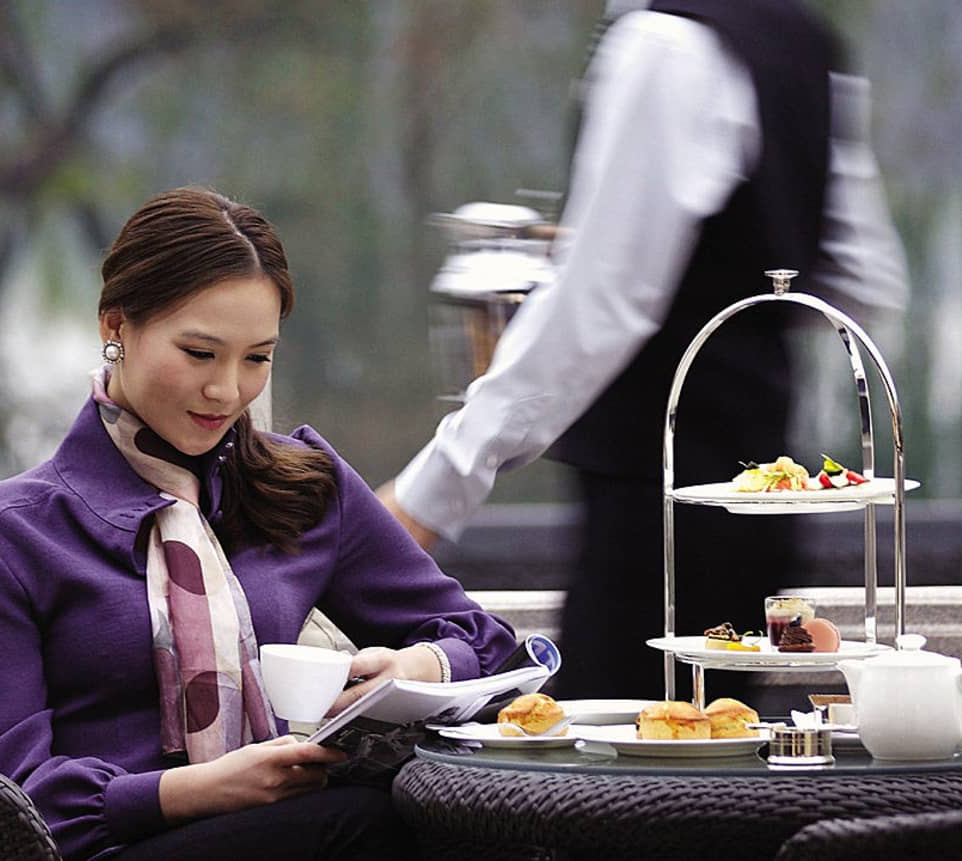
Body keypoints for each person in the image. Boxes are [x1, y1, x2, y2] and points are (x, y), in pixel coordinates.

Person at [0, 186, 518, 861]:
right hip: (116, 849)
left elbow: (488, 645)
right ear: (115, 327)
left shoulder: (302, 485)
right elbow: (1, 801)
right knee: (374, 821)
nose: (228, 390)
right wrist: (205, 787)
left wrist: (418, 665)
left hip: (297, 831)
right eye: (201, 353)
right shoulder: (3, 535)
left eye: (257, 358)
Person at [377, 0, 908, 702]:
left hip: (656, 511)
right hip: (759, 501)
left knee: (621, 782)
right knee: (718, 753)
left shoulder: (664, 44)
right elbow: (865, 276)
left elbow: (602, 303)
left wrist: (430, 493)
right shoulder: (801, 39)